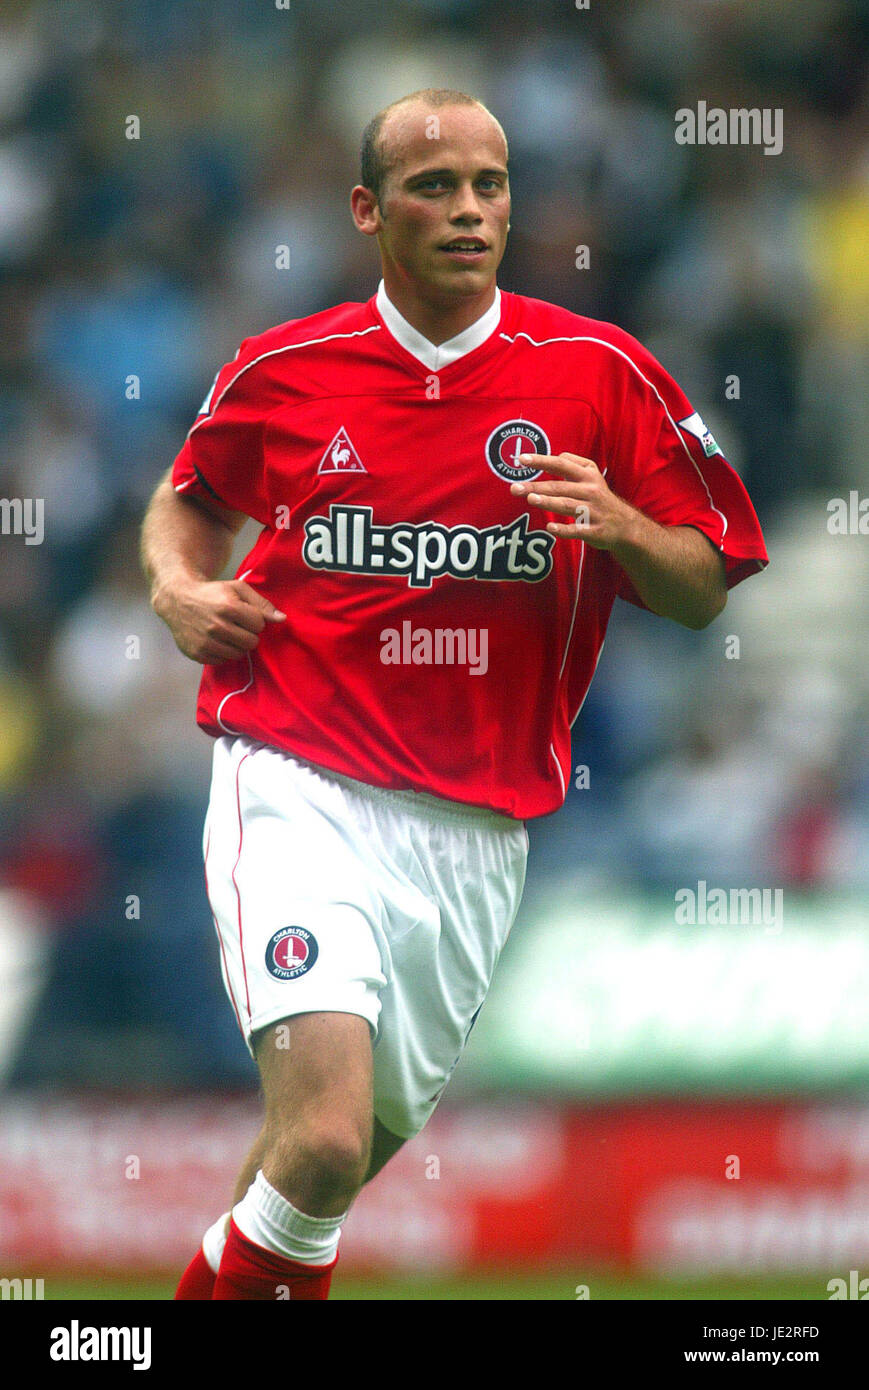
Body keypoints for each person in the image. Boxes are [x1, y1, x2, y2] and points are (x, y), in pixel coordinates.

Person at [141, 88, 768, 1300]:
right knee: (320, 1143)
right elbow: (189, 493)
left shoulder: (596, 371)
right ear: (369, 210)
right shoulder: (286, 367)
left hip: (475, 837)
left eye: (488, 185)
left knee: (303, 1172)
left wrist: (623, 523)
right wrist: (176, 588)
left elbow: (704, 587)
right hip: (298, 780)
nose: (468, 209)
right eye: (434, 186)